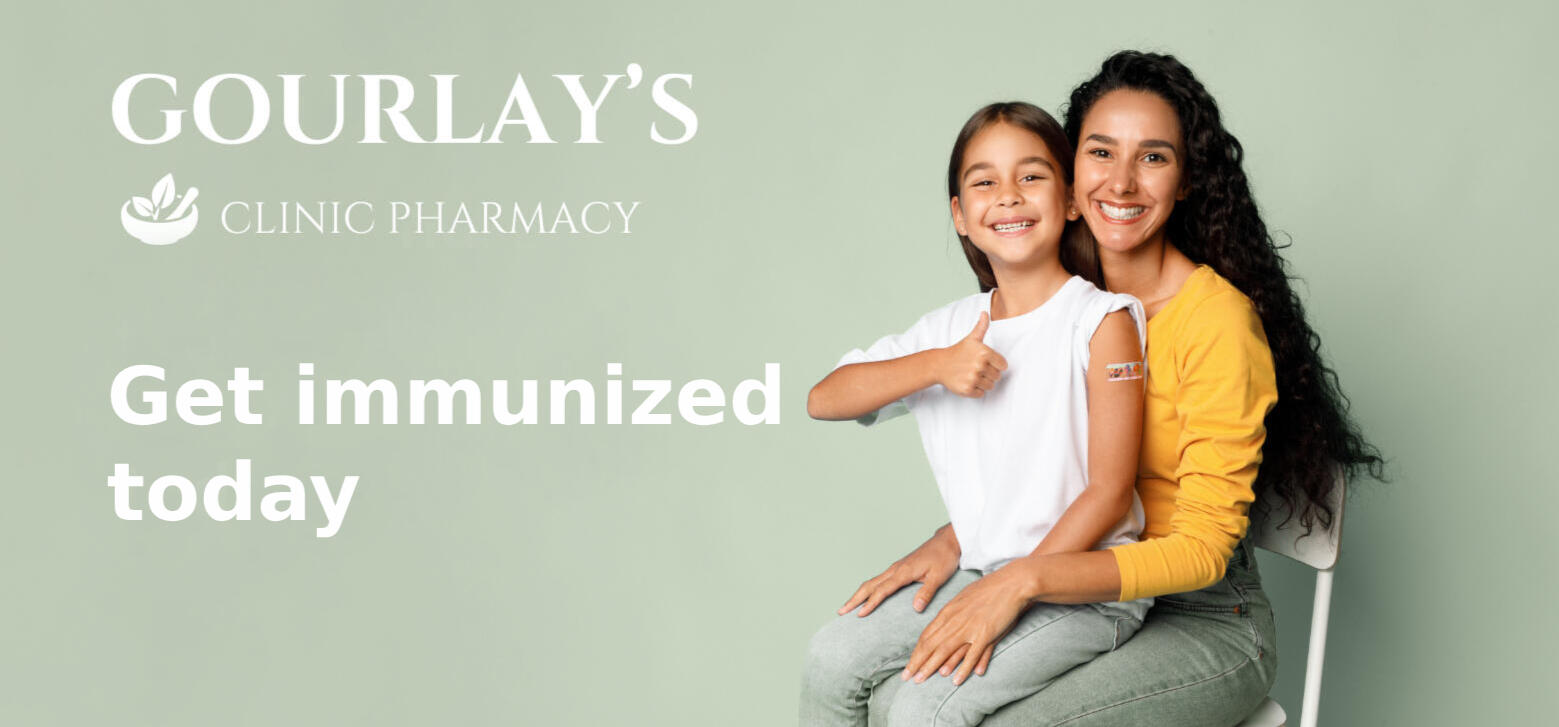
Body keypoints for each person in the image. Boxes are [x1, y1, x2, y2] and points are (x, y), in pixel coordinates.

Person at [859, 51, 1385, 726]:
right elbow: (1034, 463)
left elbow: (1200, 551)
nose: (1123, 182)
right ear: (1068, 172)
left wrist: (1022, 578)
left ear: (1186, 179)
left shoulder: (1217, 323)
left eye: (1154, 157)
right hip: (1074, 592)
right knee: (889, 691)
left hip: (1203, 619)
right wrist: (956, 538)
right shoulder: (1058, 300)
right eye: (1100, 152)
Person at [799, 101, 1158, 727]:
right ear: (961, 216)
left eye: (1032, 176)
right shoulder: (949, 332)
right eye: (984, 182)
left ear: (1071, 199)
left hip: (1083, 591)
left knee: (922, 710)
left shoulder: (1101, 322)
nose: (1009, 197)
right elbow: (824, 398)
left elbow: (1109, 492)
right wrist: (936, 366)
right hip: (982, 570)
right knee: (831, 657)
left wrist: (1010, 586)